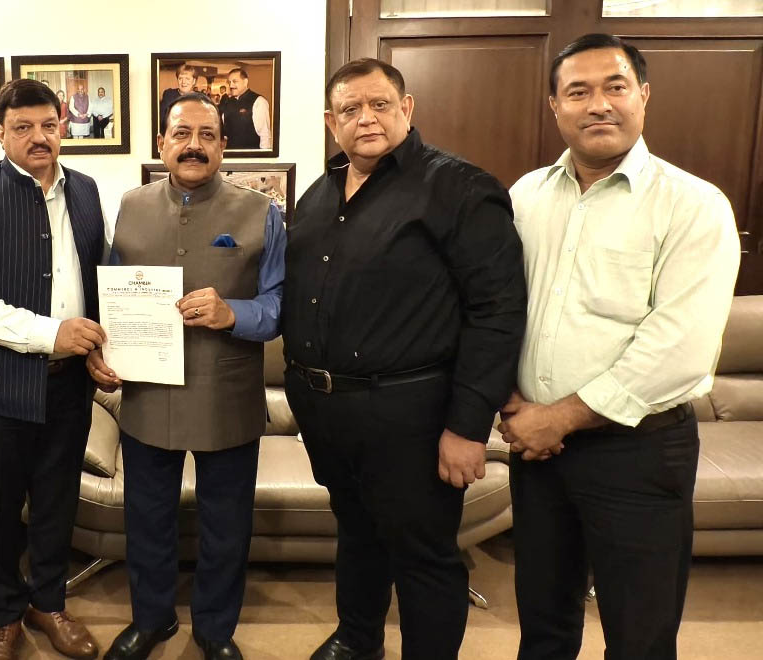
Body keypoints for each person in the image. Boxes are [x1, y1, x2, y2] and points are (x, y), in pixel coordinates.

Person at [501, 33, 739, 660]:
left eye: (615, 87)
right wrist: (512, 401)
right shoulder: (525, 197)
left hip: (638, 452)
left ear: (643, 96)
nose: (598, 104)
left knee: (640, 636)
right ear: (555, 106)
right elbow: (498, 308)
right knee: (544, 627)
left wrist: (559, 417)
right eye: (578, 91)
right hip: (538, 452)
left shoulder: (693, 205)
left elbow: (680, 346)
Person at [283, 58, 526, 660]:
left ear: (406, 108)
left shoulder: (459, 188)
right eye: (350, 109)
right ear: (331, 122)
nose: (365, 118)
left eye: (379, 104)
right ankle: (357, 638)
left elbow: (496, 313)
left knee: (424, 556)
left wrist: (468, 426)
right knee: (356, 532)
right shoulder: (318, 195)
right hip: (326, 411)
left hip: (411, 412)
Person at [91, 92, 285, 660]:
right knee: (147, 519)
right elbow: (112, 294)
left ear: (224, 146)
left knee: (226, 525)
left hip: (227, 394)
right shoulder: (129, 207)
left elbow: (279, 305)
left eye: (207, 135)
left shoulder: (261, 212)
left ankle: (215, 630)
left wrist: (233, 312)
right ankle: (151, 620)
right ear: (162, 144)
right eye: (182, 134)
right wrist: (101, 348)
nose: (193, 145)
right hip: (147, 394)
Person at [0, 78, 107, 660]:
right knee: (0, 510)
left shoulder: (86, 190)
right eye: (23, 127)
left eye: (48, 126)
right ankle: (5, 614)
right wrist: (49, 334)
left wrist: (100, 344)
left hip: (69, 385)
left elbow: (98, 279)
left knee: (58, 502)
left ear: (63, 126)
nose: (39, 137)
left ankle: (49, 603)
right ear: (0, 132)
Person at [219, 69, 271, 150]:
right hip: (230, 154)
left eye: (235, 81)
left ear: (245, 82)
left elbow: (265, 135)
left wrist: (264, 156)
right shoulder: (227, 103)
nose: (231, 85)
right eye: (229, 82)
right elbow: (225, 133)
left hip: (251, 155)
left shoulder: (259, 101)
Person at [158, 65, 197, 132]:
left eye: (187, 79)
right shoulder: (169, 95)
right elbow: (161, 121)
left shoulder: (200, 98)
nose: (183, 82)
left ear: (194, 81)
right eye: (180, 78)